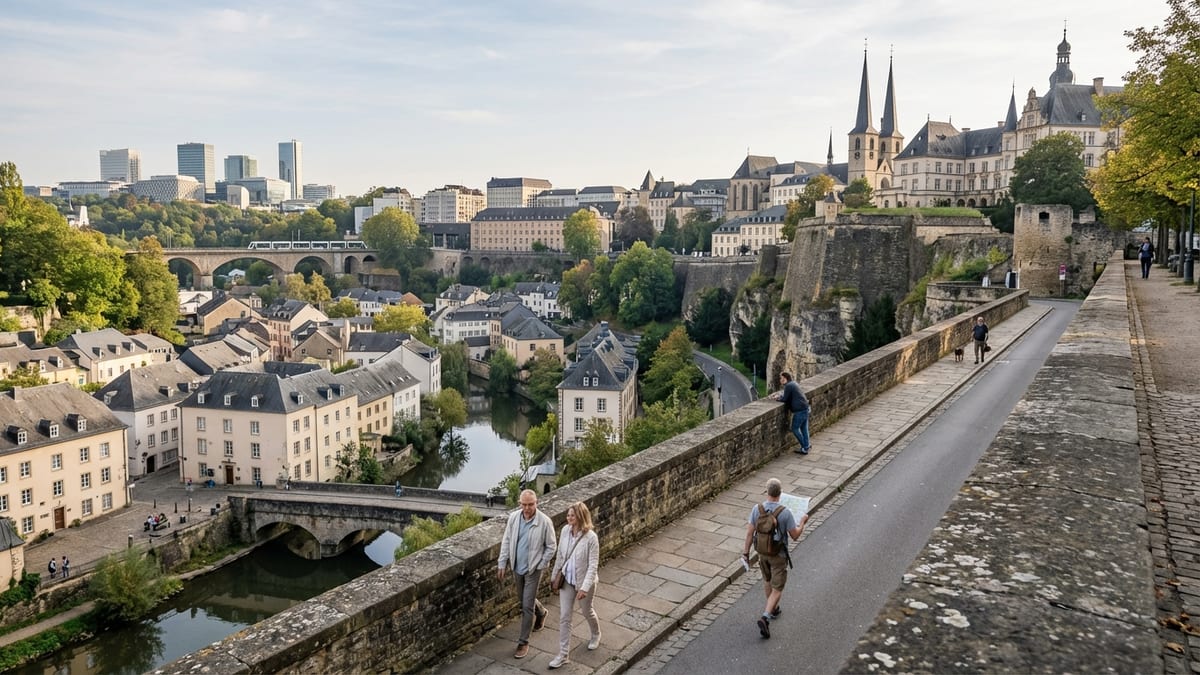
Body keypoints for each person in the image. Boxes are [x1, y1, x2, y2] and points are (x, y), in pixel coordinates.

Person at [743, 478, 808, 639]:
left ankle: (774, 608)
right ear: (780, 493)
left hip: (762, 552)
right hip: (778, 555)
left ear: (767, 492)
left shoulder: (756, 509)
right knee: (777, 588)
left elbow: (750, 533)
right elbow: (795, 536)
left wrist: (745, 553)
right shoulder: (785, 513)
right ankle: (766, 617)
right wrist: (802, 523)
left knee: (767, 580)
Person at [497, 489, 557, 660]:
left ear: (536, 503)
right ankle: (542, 612)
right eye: (524, 504)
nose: (527, 508)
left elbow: (552, 546)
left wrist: (540, 563)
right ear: (519, 503)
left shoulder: (544, 522)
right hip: (517, 567)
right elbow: (507, 540)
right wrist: (502, 562)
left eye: (530, 504)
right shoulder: (514, 518)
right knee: (522, 600)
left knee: (526, 607)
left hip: (533, 570)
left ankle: (523, 642)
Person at [548, 501, 601, 669]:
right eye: (568, 515)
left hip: (584, 582)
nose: (568, 517)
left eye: (572, 515)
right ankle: (563, 654)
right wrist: (554, 576)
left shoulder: (591, 537)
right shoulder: (565, 531)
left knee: (587, 611)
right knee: (565, 617)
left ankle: (596, 633)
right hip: (567, 581)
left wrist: (584, 588)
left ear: (580, 516)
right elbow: (560, 556)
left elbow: (593, 565)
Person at [770, 372, 811, 454]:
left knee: (795, 429)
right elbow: (788, 396)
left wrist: (776, 398)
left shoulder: (788, 386)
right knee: (804, 429)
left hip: (799, 411)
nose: (780, 380)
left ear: (785, 378)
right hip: (805, 408)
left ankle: (805, 447)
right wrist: (780, 396)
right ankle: (807, 445)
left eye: (781, 378)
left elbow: (785, 399)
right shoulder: (793, 383)